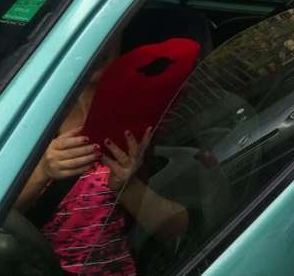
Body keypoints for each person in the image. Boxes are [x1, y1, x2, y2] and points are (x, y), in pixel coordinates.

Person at [16, 36, 191, 275]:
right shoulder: (22, 116)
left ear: (119, 34)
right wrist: (41, 172)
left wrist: (127, 187)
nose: (96, 47)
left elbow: (176, 230)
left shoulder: (146, 119)